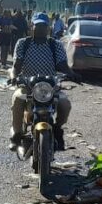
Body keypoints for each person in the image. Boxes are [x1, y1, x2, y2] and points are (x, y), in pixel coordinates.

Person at [9, 13, 81, 151]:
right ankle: (16, 135)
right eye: (38, 25)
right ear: (32, 26)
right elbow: (16, 66)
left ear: (48, 28)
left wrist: (73, 74)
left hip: (50, 88)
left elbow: (62, 65)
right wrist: (14, 76)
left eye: (44, 26)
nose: (41, 28)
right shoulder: (23, 43)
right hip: (28, 86)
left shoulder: (56, 45)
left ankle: (58, 129)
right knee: (18, 99)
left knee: (65, 104)